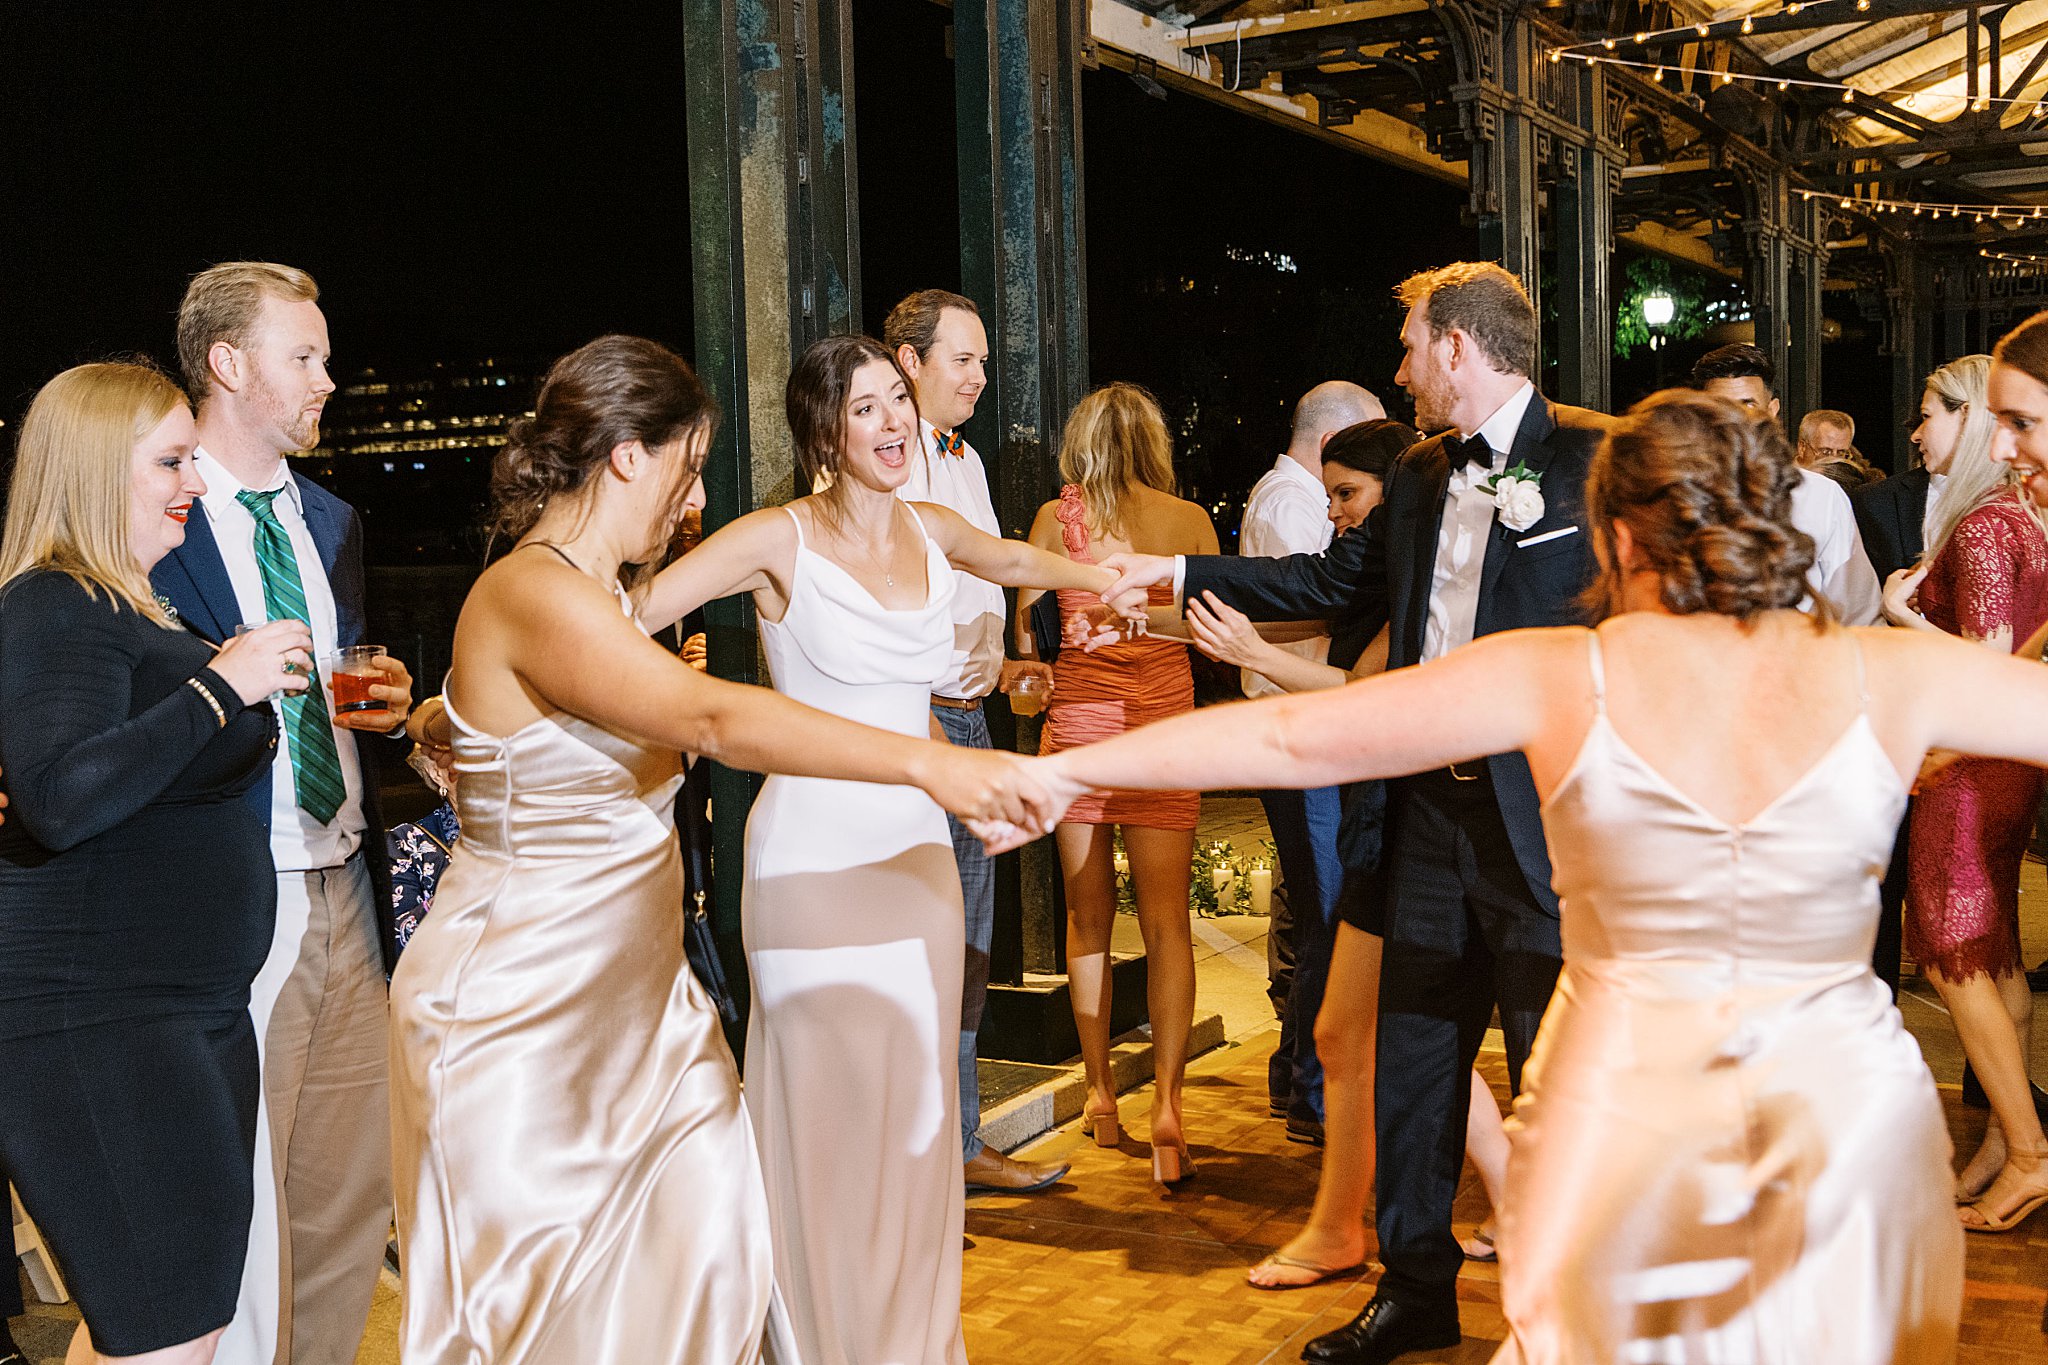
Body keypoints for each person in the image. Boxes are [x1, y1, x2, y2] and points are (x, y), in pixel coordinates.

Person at [987, 388, 2048, 1361]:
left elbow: (1296, 743)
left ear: (1614, 532)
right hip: (1839, 1118)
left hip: (1627, 1115)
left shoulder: (1560, 675)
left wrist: (1061, 773)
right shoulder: (1890, 673)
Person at [391, 334, 1060, 1364]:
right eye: (688, 465)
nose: (694, 495)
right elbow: (708, 718)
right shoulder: (536, 590)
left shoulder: (599, 597)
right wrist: (927, 763)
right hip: (524, 1007)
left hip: (643, 1005)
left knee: (709, 1252)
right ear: (627, 457)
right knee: (551, 1316)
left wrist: (436, 717)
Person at [1099, 261, 1608, 1363]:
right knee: (1414, 1063)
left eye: (1413, 345)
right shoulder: (1418, 474)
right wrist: (1170, 576)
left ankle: (1561, 1311)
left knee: (1551, 1073)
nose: (1400, 368)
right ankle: (1412, 1292)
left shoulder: (1597, 457)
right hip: (1423, 816)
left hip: (1542, 827)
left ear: (1459, 351)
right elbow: (1323, 585)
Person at [634, 334, 1136, 1364]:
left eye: (895, 402)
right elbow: (634, 613)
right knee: (823, 1109)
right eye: (864, 408)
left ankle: (905, 1339)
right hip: (808, 861)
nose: (893, 422)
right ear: (824, 429)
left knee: (914, 1107)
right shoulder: (773, 538)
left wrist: (1104, 575)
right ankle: (808, 1334)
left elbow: (1010, 560)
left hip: (917, 857)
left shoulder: (929, 527)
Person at [0, 361, 313, 1365]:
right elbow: (59, 796)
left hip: (183, 1013)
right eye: (171, 461)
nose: (193, 480)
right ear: (96, 469)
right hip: (98, 1018)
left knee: (169, 1327)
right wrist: (222, 690)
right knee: (166, 1334)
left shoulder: (134, 605)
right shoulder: (57, 601)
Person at [1172, 419, 1509, 1286]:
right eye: (1328, 498)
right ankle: (1354, 1224)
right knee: (1350, 1029)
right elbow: (1306, 601)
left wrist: (1252, 656)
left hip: (1418, 826)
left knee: (1390, 1033)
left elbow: (1379, 693)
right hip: (1382, 817)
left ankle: (1386, 1223)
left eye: (1348, 495)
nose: (1336, 514)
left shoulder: (1422, 576)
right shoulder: (1385, 573)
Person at [149, 262, 412, 1365]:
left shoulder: (330, 518)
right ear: (228, 364)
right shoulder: (151, 513)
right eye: (302, 357)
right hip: (228, 896)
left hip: (343, 880)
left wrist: (390, 705)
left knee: (346, 1195)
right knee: (235, 1207)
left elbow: (334, 681)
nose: (327, 379)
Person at [882, 289, 1068, 1196]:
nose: (981, 377)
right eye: (964, 359)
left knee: (971, 947)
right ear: (908, 362)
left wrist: (1005, 671)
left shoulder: (967, 458)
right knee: (923, 944)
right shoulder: (884, 461)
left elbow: (979, 582)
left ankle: (957, 1146)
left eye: (985, 361)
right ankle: (924, 1159)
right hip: (914, 724)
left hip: (969, 712)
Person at [1016, 382, 1218, 1187]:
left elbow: (1028, 643)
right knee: (1169, 923)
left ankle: (1103, 1094)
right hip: (1168, 731)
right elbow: (1215, 627)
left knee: (1087, 920)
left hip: (1084, 731)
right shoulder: (1189, 521)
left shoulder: (1053, 520)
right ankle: (1169, 1105)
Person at [1877, 352, 2048, 1232]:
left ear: (1973, 421)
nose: (1915, 432)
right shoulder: (2025, 516)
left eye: (1929, 415)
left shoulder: (1984, 525)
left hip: (1969, 762)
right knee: (1995, 952)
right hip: (2008, 763)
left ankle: (2025, 1149)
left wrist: (1900, 611)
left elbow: (1983, 663)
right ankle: (2002, 1144)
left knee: (1952, 949)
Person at [1241, 381, 1383, 1145]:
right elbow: (1310, 602)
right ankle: (1312, 1092)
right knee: (1328, 911)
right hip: (1302, 722)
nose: (1340, 513)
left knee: (1313, 909)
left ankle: (1298, 1074)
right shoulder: (1291, 505)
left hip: (1316, 717)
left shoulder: (1290, 497)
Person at [1852, 387, 1947, 999]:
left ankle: (1990, 1078)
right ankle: (1878, 1005)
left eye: (1929, 416)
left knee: (1966, 906)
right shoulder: (1878, 503)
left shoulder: (2021, 507)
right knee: (1885, 882)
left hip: (1980, 726)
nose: (1914, 433)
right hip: (1894, 721)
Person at [1691, 344, 1882, 625]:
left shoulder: (1821, 496)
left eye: (1748, 405)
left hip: (1801, 659)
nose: (1735, 420)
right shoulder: (1682, 493)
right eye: (1721, 407)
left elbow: (1859, 613)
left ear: (1772, 409)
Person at [1796, 408, 1879, 489]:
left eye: (1841, 453)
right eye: (1826, 452)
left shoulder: (1854, 482)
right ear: (1802, 448)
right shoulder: (1785, 481)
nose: (1834, 460)